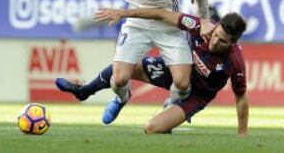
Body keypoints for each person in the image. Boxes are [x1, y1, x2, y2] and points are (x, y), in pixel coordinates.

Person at [80, 0, 211, 124]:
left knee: (183, 84)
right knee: (119, 79)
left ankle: (169, 107)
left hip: (168, 24)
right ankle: (121, 98)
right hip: (136, 23)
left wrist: (204, 19)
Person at [56, 8, 249, 136]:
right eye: (215, 34)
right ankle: (85, 90)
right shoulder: (200, 26)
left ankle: (170, 111)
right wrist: (124, 13)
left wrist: (242, 134)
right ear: (215, 27)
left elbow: (241, 97)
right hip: (173, 70)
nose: (214, 41)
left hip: (196, 94)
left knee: (152, 128)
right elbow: (161, 14)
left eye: (222, 41)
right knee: (125, 69)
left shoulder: (235, 61)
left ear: (233, 42)